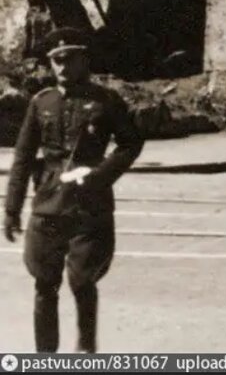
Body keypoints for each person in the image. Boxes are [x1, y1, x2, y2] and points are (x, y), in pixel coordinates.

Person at [4, 28, 144, 353]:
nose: (63, 67)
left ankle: (85, 351)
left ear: (84, 60)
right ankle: (45, 356)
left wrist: (98, 175)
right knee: (44, 284)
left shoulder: (106, 101)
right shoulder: (42, 103)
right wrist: (11, 210)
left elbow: (131, 143)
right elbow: (23, 158)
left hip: (89, 206)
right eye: (56, 61)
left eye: (70, 59)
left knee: (83, 282)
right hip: (48, 206)